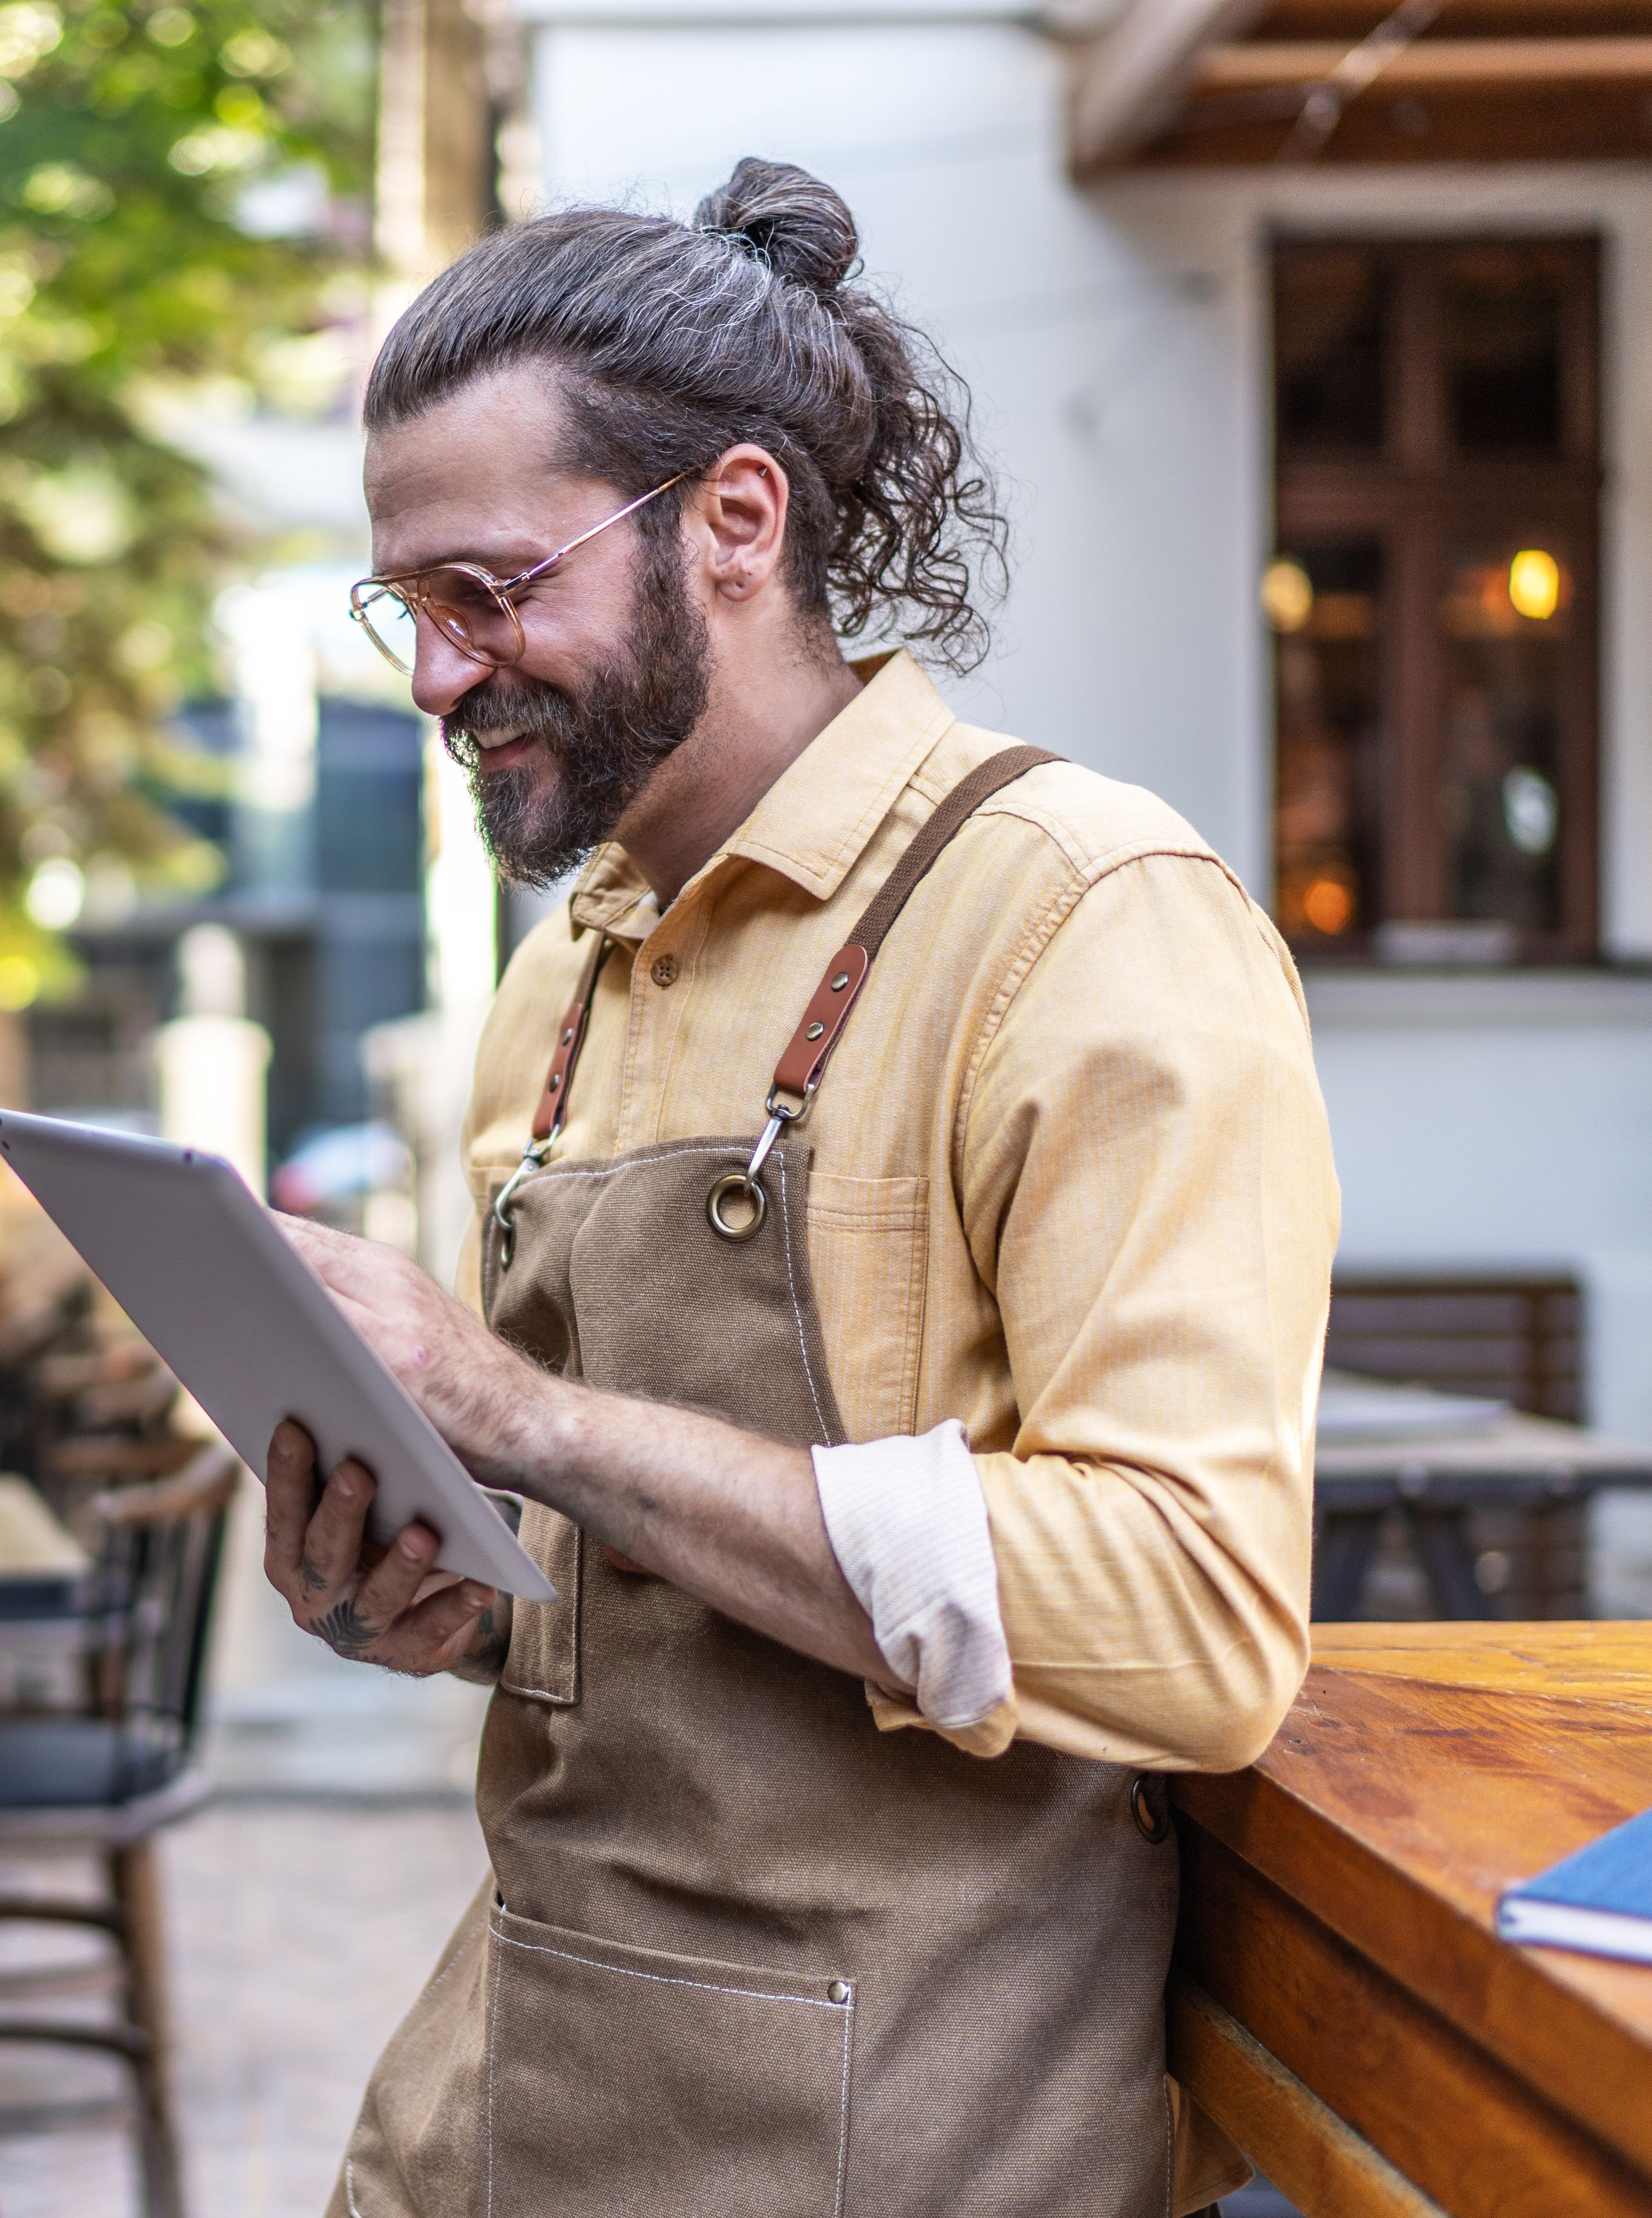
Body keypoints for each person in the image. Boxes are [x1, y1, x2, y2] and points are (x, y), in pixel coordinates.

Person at [267, 160, 1336, 2217]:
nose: (435, 674)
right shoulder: (566, 973)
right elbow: (643, 1603)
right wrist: (427, 1585)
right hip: (515, 2103)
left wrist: (516, 1415)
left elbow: (1197, 1622)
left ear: (736, 524)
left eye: (490, 592)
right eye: (407, 608)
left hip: (900, 2143)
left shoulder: (1086, 921)